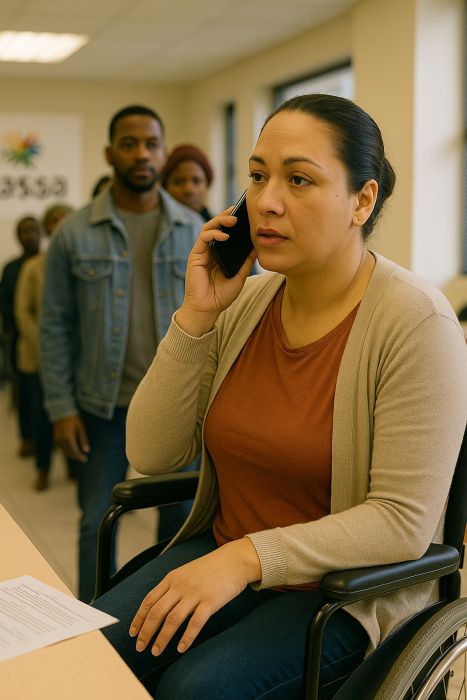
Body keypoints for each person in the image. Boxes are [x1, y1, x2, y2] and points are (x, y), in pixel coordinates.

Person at [94, 94, 467, 699]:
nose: (266, 201)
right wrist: (195, 317)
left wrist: (246, 559)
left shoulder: (416, 323)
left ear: (362, 200)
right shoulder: (244, 303)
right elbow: (152, 452)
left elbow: (402, 522)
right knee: (89, 658)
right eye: (259, 176)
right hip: (223, 551)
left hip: (345, 591)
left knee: (197, 689)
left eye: (299, 179)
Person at [40, 105, 203, 602]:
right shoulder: (74, 233)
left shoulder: (193, 227)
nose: (141, 154)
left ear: (164, 151)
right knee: (97, 521)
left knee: (177, 520)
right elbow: (55, 325)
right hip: (101, 406)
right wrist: (61, 409)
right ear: (110, 153)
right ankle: (93, 617)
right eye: (129, 144)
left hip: (177, 404)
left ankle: (156, 618)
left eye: (151, 144)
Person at [15, 203, 74, 491]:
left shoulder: (80, 263)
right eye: (54, 219)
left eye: (66, 218)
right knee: (43, 415)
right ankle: (43, 469)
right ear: (47, 227)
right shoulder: (33, 267)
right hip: (39, 357)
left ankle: (75, 467)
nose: (60, 223)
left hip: (76, 358)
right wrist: (48, 343)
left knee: (76, 414)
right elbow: (23, 311)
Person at [0, 215, 41, 457]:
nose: (30, 235)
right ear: (18, 236)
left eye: (34, 230)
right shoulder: (11, 268)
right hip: (18, 340)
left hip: (47, 337)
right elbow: (4, 303)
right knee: (24, 391)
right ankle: (27, 437)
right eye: (25, 231)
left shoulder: (48, 262)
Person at [162, 144, 214, 221]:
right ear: (166, 186)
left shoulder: (222, 229)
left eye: (196, 181)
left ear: (207, 185)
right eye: (179, 182)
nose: (189, 190)